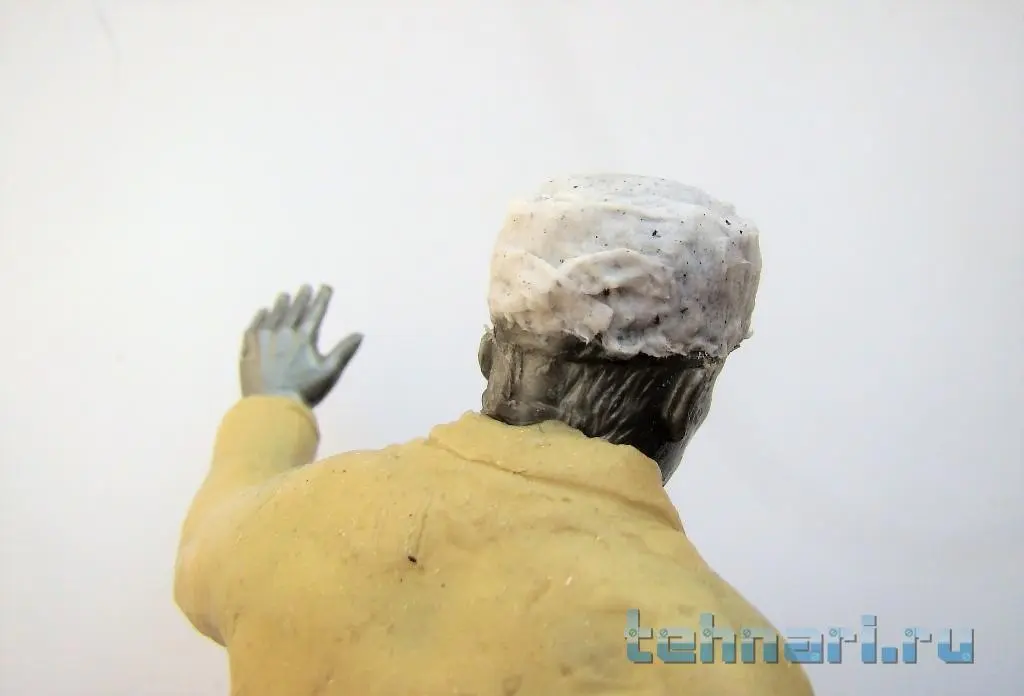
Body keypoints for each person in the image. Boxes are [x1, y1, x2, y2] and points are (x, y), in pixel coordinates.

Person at [174, 174, 815, 695]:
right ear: (686, 400)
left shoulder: (285, 522)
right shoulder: (717, 659)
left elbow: (206, 538)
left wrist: (273, 402)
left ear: (488, 356)